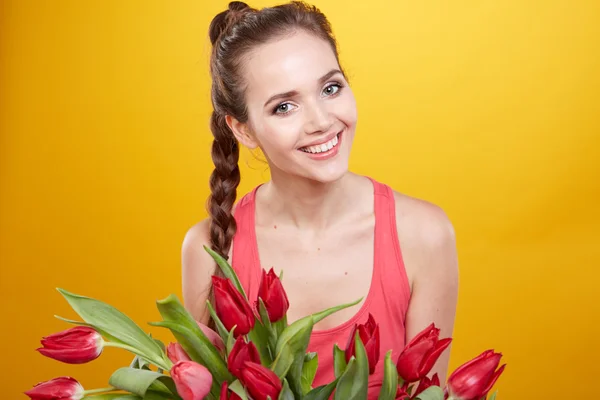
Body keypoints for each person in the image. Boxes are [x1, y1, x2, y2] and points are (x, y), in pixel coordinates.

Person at [181, 0, 459, 396]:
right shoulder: (208, 248)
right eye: (284, 107)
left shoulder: (425, 235)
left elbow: (429, 392)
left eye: (331, 88)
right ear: (243, 130)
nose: (321, 121)